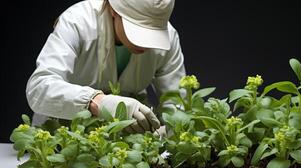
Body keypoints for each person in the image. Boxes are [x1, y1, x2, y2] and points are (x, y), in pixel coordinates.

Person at [26, 0, 186, 133]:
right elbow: (39, 88)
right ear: (114, 10)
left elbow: (177, 103)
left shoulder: (169, 38)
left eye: (154, 33)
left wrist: (167, 132)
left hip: (122, 146)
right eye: (138, 29)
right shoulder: (78, 22)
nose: (146, 43)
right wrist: (96, 102)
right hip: (60, 134)